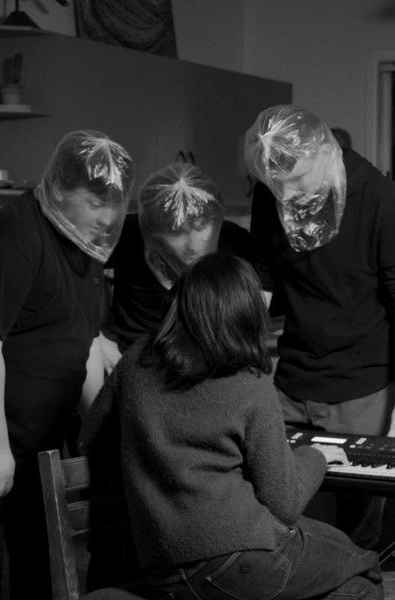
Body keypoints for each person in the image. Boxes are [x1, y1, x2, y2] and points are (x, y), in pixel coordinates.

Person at [80, 253, 383, 600]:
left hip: (159, 567)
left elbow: (92, 436)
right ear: (247, 313)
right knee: (365, 566)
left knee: (349, 581)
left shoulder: (137, 358)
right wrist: (316, 456)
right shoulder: (249, 383)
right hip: (238, 558)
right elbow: (284, 504)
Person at [0, 129, 134, 600]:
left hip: (37, 434)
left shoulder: (86, 247)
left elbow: (84, 347)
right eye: (95, 203)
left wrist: (103, 434)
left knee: (39, 559)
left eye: (113, 204)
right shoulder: (12, 237)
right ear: (62, 190)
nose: (106, 216)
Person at [244, 104, 395, 550]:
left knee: (355, 540)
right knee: (280, 524)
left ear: (325, 153)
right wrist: (240, 361)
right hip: (291, 380)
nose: (287, 195)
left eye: (297, 181)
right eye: (277, 185)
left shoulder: (380, 199)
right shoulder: (271, 193)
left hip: (361, 389)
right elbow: (261, 281)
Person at [101, 162, 254, 368]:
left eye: (200, 227)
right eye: (177, 232)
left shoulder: (234, 242)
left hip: (203, 362)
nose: (192, 244)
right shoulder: (128, 233)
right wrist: (98, 338)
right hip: (132, 356)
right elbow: (79, 269)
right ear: (153, 231)